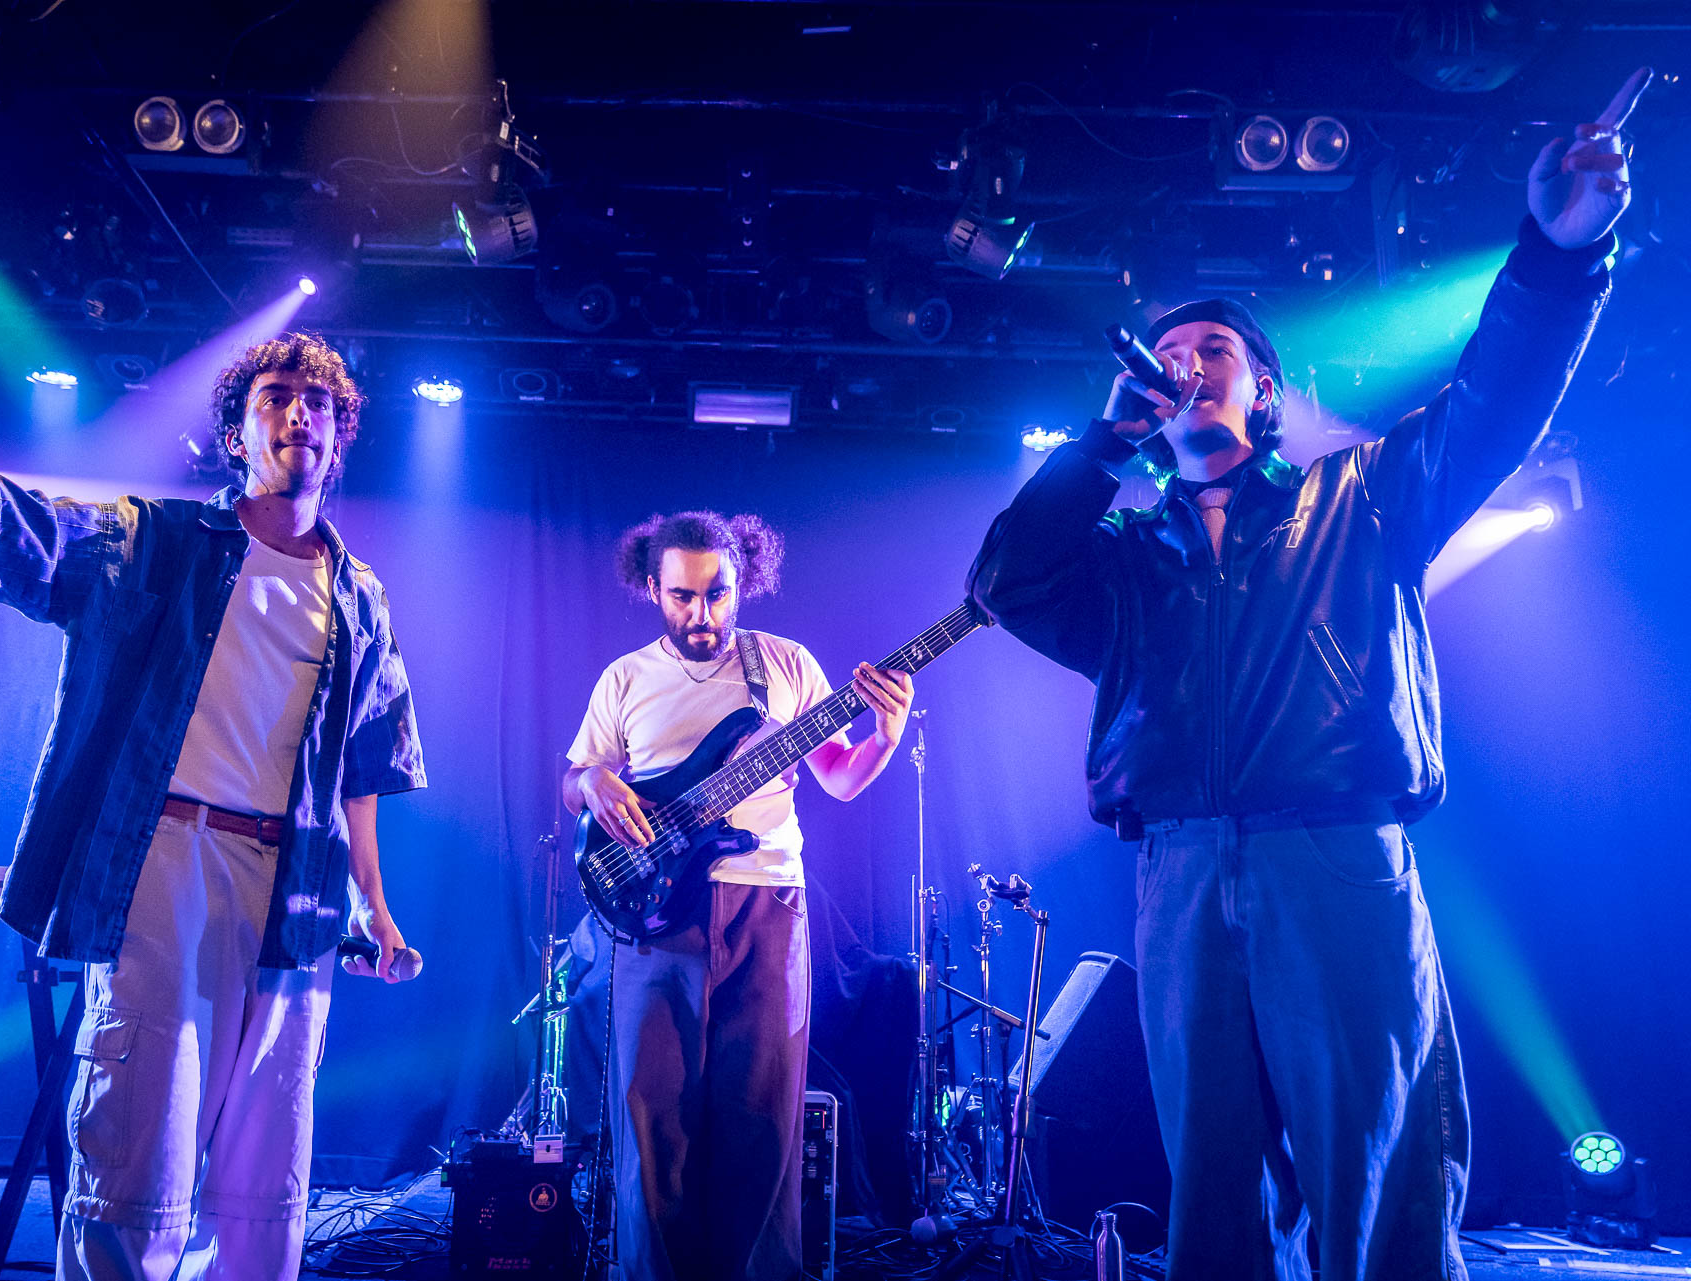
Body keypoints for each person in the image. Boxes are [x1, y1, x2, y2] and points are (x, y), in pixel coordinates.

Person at [965, 69, 1652, 1281]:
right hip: (1180, 868)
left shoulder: (1362, 497)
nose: (1186, 364)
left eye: (1214, 349)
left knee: (1377, 1177)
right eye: (1168, 353)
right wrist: (1102, 442)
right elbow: (1004, 583)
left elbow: (1494, 403)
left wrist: (1557, 256)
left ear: (1265, 390)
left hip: (1333, 856)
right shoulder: (1124, 562)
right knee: (1212, 1192)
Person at [0, 304, 425, 1281]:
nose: (300, 413)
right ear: (237, 434)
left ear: (340, 439)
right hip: (166, 864)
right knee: (139, 1166)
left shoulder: (360, 596)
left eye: (319, 403)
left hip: (298, 893)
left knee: (266, 1193)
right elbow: (12, 520)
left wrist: (375, 905)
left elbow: (362, 769)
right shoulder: (158, 541)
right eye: (276, 397)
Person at [562, 511, 913, 1280]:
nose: (703, 613)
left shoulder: (785, 665)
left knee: (764, 1120)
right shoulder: (625, 678)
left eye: (718, 593)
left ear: (742, 581)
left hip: (768, 905)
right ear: (652, 588)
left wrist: (884, 737)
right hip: (656, 915)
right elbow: (575, 779)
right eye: (683, 596)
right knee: (654, 1120)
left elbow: (840, 778)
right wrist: (589, 782)